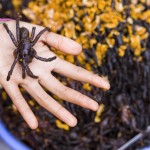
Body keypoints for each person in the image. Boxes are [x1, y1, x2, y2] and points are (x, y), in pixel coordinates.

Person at [0, 19, 110, 129]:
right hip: (21, 42)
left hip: (24, 42)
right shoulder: (20, 44)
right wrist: (4, 27)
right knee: (21, 58)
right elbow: (15, 36)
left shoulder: (30, 43)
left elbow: (36, 37)